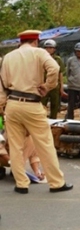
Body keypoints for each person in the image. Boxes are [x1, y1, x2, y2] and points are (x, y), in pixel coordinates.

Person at [0, 29, 73, 193]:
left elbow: (2, 84)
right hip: (32, 104)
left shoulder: (8, 57)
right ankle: (56, 183)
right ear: (36, 41)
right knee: (45, 143)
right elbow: (54, 69)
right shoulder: (39, 53)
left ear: (20, 42)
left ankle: (21, 184)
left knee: (16, 146)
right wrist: (47, 86)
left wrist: (1, 106)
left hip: (12, 104)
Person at [40, 39, 66, 119]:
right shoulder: (41, 59)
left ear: (54, 49)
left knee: (55, 106)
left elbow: (60, 74)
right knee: (42, 105)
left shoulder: (58, 59)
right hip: (44, 85)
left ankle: (53, 121)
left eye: (51, 48)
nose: (49, 50)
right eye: (47, 48)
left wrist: (61, 88)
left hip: (55, 86)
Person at [65, 42, 80, 121]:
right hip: (72, 86)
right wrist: (70, 80)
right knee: (71, 105)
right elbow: (67, 72)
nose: (78, 53)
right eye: (77, 51)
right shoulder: (70, 60)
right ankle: (69, 119)